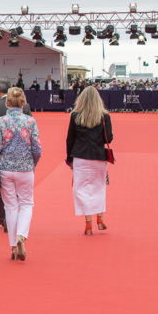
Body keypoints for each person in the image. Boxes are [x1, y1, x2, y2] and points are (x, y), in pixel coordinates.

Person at [0, 87, 41, 261]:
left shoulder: (0, 121)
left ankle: (13, 245)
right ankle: (21, 236)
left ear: (7, 103)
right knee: (26, 203)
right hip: (25, 168)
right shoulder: (30, 122)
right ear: (24, 102)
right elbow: (37, 148)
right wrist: (32, 162)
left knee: (10, 206)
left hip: (5, 169)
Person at [65, 81, 113, 235]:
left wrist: (69, 159)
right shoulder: (104, 116)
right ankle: (100, 217)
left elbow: (70, 139)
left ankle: (88, 223)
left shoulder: (75, 115)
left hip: (80, 157)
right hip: (98, 157)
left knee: (82, 189)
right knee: (99, 187)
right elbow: (109, 139)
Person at [0, 82, 32, 232]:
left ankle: (4, 217)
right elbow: (30, 134)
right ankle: (12, 221)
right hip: (23, 156)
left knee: (2, 187)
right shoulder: (26, 106)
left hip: (0, 155)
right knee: (21, 193)